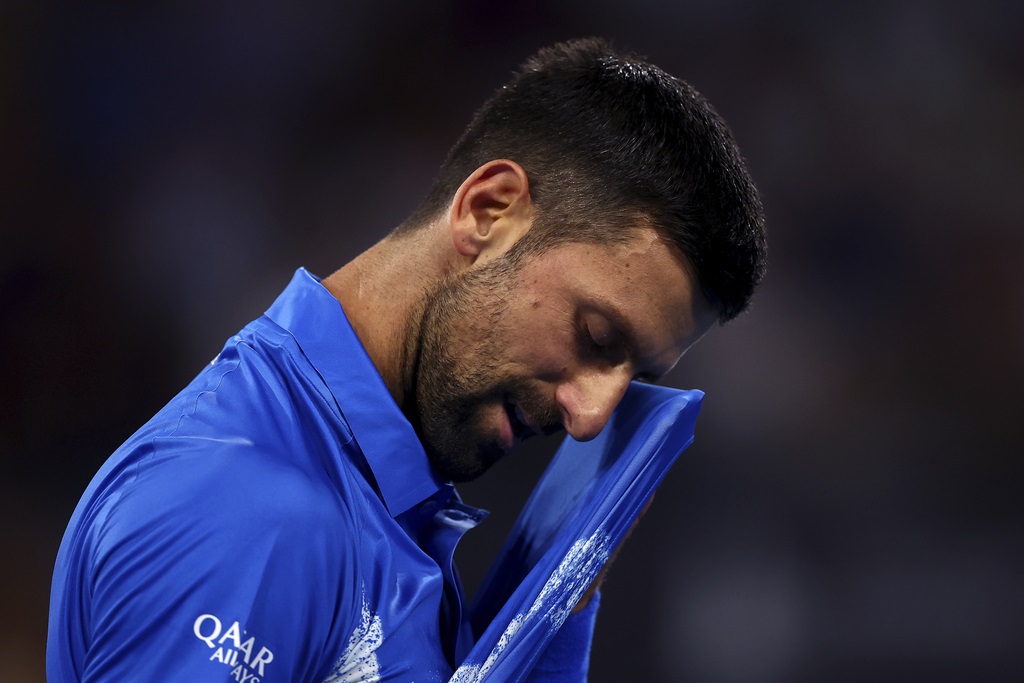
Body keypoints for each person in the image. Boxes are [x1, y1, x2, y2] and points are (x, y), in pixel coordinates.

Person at [47, 37, 766, 682]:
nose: (589, 418)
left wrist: (559, 612)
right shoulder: (252, 510)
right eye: (596, 337)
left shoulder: (379, 517)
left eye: (634, 378)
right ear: (488, 210)